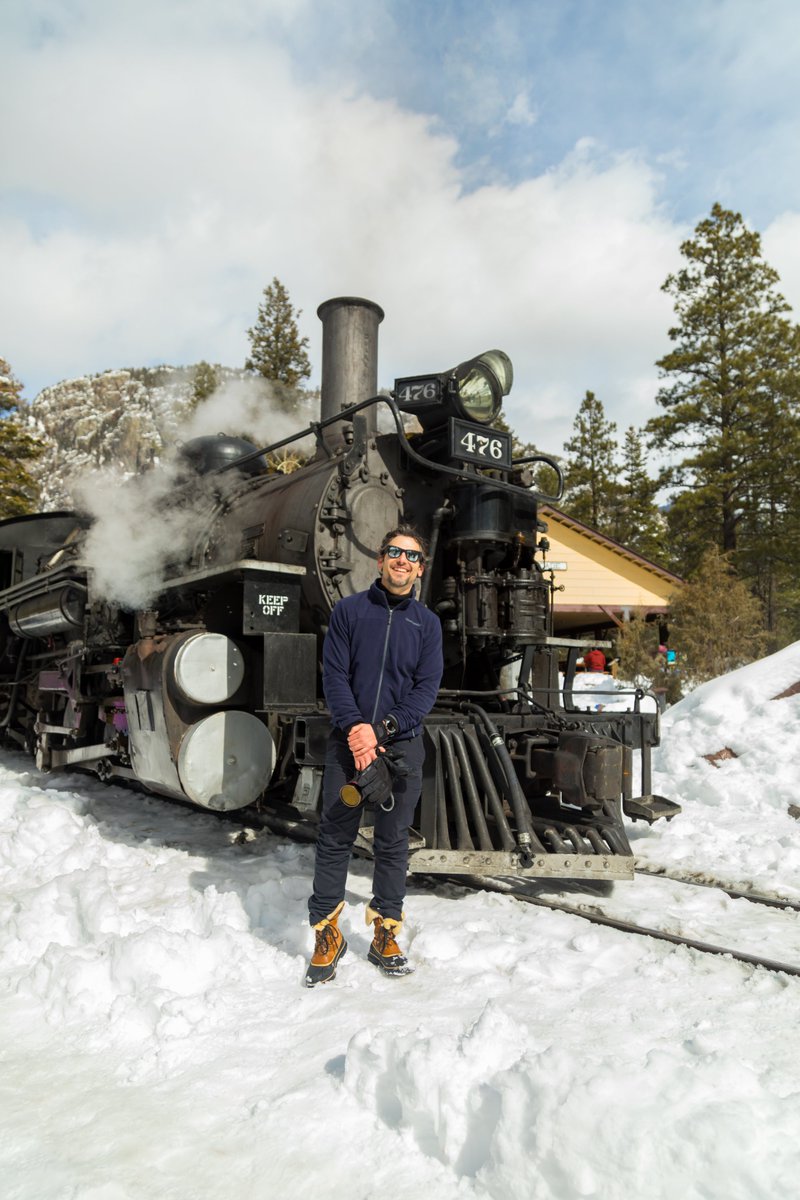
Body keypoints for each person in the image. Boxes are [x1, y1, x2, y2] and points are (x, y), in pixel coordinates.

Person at [305, 525, 444, 987]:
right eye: (394, 553)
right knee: (335, 835)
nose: (402, 561)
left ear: (419, 569)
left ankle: (386, 930)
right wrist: (357, 731)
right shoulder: (348, 611)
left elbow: (426, 690)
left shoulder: (427, 624)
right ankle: (327, 933)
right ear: (380, 561)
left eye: (411, 555)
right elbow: (335, 677)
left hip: (401, 747)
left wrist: (382, 730)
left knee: (392, 841)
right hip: (349, 743)